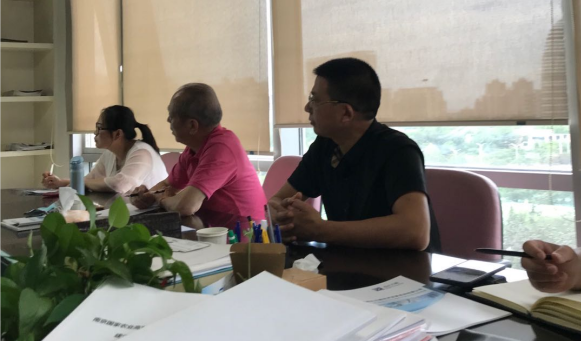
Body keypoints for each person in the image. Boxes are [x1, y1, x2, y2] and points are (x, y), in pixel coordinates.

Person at [269, 58, 441, 251]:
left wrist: (320, 229)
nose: (307, 108)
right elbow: (277, 200)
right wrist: (280, 218)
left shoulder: (398, 151)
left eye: (315, 100)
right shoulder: (325, 146)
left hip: (404, 267)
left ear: (346, 113)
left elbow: (416, 232)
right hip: (348, 261)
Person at [131, 83, 266, 229]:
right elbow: (168, 186)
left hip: (244, 234)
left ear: (192, 126)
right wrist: (146, 196)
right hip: (212, 227)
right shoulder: (194, 148)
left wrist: (162, 200)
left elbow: (186, 206)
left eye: (172, 116)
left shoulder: (222, 148)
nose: (168, 120)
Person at [42, 106, 167, 194]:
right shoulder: (110, 154)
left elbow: (120, 185)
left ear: (117, 134)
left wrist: (83, 182)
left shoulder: (142, 153)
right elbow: (89, 180)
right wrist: (60, 183)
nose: (95, 133)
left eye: (99, 128)